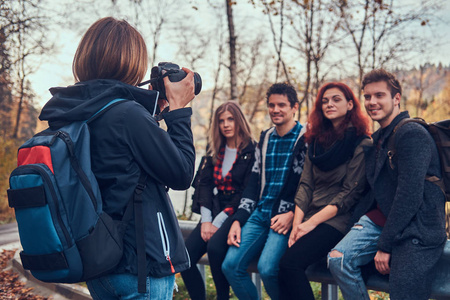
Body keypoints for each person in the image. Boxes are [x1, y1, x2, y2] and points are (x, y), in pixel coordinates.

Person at [39, 17, 196, 300]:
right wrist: (179, 111)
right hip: (141, 267)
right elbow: (182, 173)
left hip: (101, 264)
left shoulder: (74, 112)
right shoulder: (127, 115)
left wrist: (153, 113)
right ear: (132, 62)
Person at [328, 69, 446, 300]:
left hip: (418, 227)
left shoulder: (412, 134)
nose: (372, 102)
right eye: (368, 96)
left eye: (379, 95)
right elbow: (372, 192)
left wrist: (385, 245)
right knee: (338, 258)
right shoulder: (379, 137)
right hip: (387, 219)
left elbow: (409, 196)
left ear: (396, 98)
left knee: (402, 290)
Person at [278, 82, 372, 299]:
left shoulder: (362, 143)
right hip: (309, 214)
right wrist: (297, 224)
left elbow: (349, 194)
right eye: (325, 100)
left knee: (290, 265)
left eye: (336, 99)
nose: (329, 104)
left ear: (350, 105)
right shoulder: (316, 142)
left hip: (337, 219)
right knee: (281, 271)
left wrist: (309, 224)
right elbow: (306, 184)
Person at [221, 83, 308, 300]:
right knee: (230, 266)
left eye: (281, 105)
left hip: (285, 217)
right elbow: (253, 183)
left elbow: (311, 186)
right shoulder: (265, 138)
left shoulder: (306, 139)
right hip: (260, 214)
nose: (275, 110)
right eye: (271, 105)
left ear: (294, 107)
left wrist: (292, 214)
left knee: (267, 268)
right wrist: (237, 220)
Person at [181, 101, 256, 300]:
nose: (226, 124)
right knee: (185, 258)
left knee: (214, 247)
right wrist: (206, 220)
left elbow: (246, 191)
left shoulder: (252, 151)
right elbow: (203, 184)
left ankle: (223, 297)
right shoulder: (214, 148)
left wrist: (217, 222)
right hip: (212, 209)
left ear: (239, 120)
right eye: (221, 120)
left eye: (230, 119)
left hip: (235, 210)